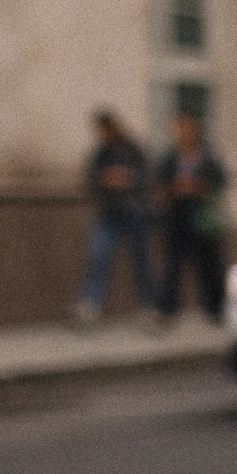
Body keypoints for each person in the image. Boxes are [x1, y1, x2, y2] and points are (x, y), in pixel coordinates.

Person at [75, 109, 156, 324]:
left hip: (134, 212)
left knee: (142, 261)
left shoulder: (132, 150)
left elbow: (147, 176)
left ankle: (149, 305)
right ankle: (91, 305)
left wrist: (126, 179)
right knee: (99, 258)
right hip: (108, 213)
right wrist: (105, 180)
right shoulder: (101, 153)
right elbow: (89, 181)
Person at [154, 111, 229, 322]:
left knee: (209, 266)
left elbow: (219, 181)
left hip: (202, 217)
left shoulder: (208, 155)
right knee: (172, 265)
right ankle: (167, 310)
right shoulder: (170, 156)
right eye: (179, 128)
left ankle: (216, 308)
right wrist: (172, 191)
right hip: (177, 216)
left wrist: (197, 187)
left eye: (186, 128)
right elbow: (161, 181)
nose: (182, 133)